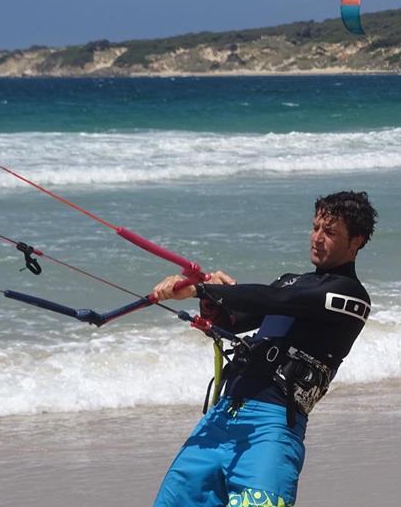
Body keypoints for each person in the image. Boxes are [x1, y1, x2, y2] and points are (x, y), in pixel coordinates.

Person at [150, 190, 378, 507]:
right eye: (315, 228)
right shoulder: (290, 281)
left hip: (270, 431)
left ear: (357, 241)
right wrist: (210, 297)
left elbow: (280, 302)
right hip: (221, 419)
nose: (317, 238)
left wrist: (202, 288)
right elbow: (232, 322)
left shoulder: (351, 297)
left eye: (330, 232)